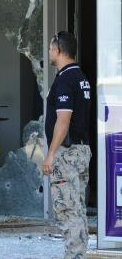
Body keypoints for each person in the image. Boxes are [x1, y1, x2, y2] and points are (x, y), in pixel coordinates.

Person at [42, 31, 92, 259]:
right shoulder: (81, 77)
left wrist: (51, 154)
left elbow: (63, 120)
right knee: (78, 208)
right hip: (82, 150)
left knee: (67, 210)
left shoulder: (65, 79)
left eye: (52, 48)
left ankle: (74, 255)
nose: (50, 52)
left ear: (59, 51)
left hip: (67, 154)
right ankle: (79, 253)